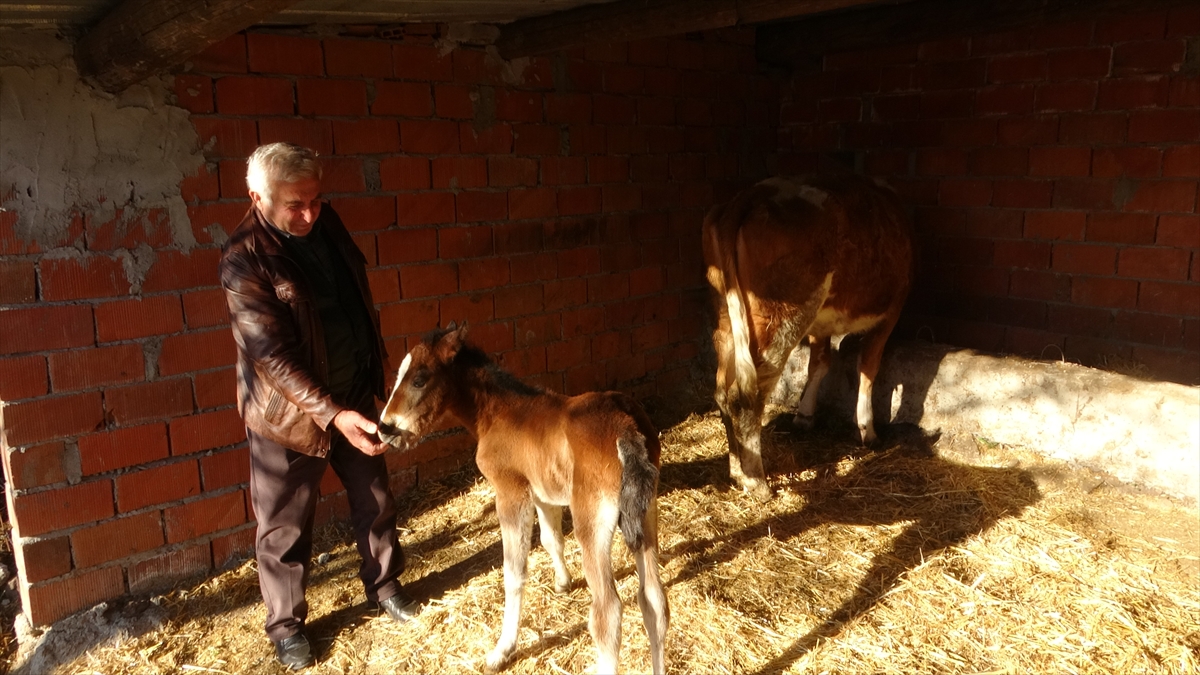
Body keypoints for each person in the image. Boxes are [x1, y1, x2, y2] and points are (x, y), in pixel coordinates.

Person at [220, 142, 419, 670]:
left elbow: (353, 297)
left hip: (351, 389)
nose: (310, 213)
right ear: (257, 196)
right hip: (286, 416)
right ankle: (286, 627)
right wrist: (330, 414)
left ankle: (386, 585)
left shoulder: (325, 223)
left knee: (374, 496)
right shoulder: (243, 259)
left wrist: (366, 376)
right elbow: (272, 356)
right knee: (284, 526)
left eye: (316, 199)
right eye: (295, 205)